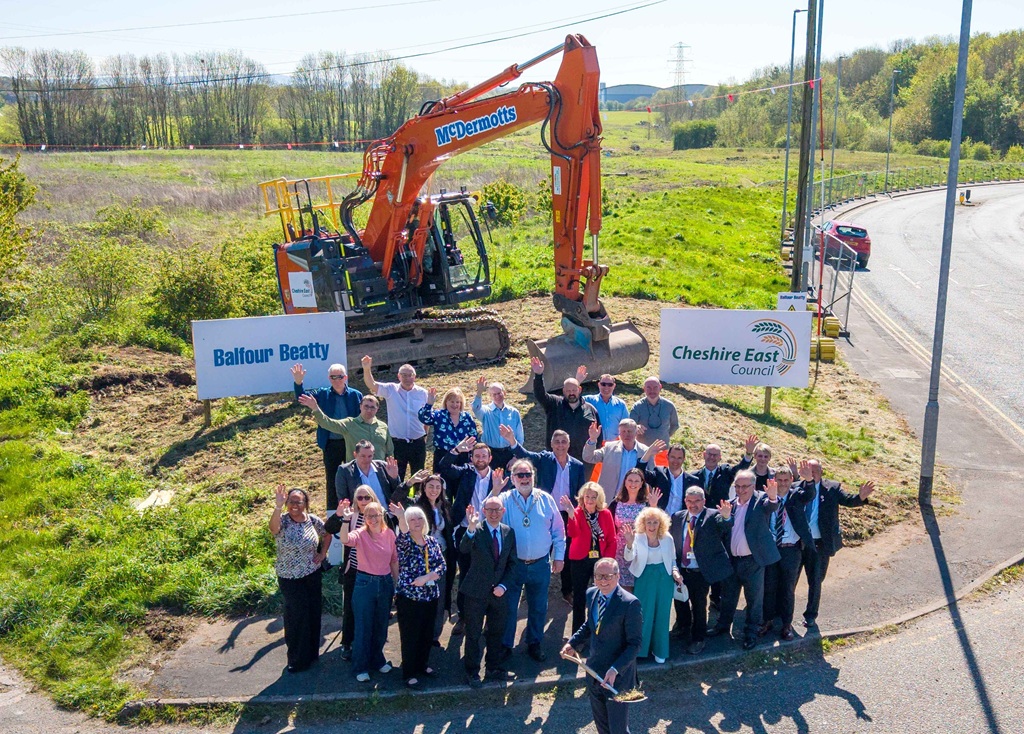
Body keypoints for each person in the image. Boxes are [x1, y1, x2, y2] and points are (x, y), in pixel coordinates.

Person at [501, 423, 586, 606]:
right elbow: (526, 455)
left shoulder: (577, 466)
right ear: (552, 444)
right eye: (557, 442)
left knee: (566, 553)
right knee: (540, 551)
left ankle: (567, 591)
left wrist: (576, 512)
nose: (560, 445)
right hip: (543, 512)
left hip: (567, 514)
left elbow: (581, 493)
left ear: (568, 444)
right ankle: (533, 589)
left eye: (564, 442)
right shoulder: (545, 459)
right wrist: (512, 440)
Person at [561, 558, 643, 734]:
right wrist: (572, 642)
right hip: (594, 672)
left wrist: (615, 669)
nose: (603, 581)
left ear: (618, 576)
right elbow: (589, 625)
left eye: (608, 576)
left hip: (617, 677)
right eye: (599, 576)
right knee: (602, 727)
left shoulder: (630, 603)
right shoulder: (591, 594)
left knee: (618, 729)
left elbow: (635, 645)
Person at [499, 458, 566, 662]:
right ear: (512, 478)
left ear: (533, 477)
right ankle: (506, 645)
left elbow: (558, 531)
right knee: (510, 607)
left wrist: (559, 557)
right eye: (520, 475)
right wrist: (494, 490)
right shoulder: (504, 499)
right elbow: (487, 515)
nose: (525, 478)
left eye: (528, 474)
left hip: (540, 563)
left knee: (538, 606)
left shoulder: (545, 499)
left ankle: (534, 643)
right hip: (514, 565)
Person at [438, 437, 507, 633]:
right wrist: (456, 450)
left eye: (483, 455)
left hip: (488, 532)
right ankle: (463, 616)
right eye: (477, 456)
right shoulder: (465, 473)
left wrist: (496, 490)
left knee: (488, 574)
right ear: (471, 457)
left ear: (490, 457)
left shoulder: (498, 478)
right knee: (466, 574)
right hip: (464, 529)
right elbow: (443, 467)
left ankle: (486, 616)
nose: (480, 459)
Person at [796, 459, 875, 629]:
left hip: (819, 545)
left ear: (822, 472)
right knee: (789, 580)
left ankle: (810, 616)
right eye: (809, 470)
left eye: (816, 470)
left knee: (816, 581)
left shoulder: (831, 488)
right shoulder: (797, 487)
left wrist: (860, 497)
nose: (813, 473)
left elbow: (848, 500)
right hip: (798, 543)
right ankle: (782, 615)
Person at [710, 470, 779, 650]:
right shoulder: (730, 505)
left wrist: (773, 498)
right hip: (732, 561)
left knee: (754, 600)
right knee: (728, 597)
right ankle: (723, 626)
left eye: (744, 487)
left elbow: (770, 506)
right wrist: (725, 518)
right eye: (737, 486)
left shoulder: (760, 501)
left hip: (753, 562)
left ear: (753, 486)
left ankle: (750, 634)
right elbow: (722, 529)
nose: (741, 490)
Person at [332, 496, 399, 682]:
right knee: (363, 626)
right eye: (369, 515)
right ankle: (360, 667)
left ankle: (378, 660)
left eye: (376, 514)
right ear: (364, 517)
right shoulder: (360, 533)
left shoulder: (390, 534)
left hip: (385, 582)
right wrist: (345, 520)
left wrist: (397, 583)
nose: (373, 518)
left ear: (382, 515)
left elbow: (394, 560)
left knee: (381, 625)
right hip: (364, 584)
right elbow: (345, 539)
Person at [291, 362, 362, 534]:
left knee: (354, 477)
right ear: (329, 378)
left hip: (350, 442)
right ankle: (333, 512)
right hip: (330, 443)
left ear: (345, 377)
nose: (336, 380)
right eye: (333, 377)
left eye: (339, 376)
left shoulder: (356, 395)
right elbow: (303, 399)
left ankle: (357, 510)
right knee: (332, 479)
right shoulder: (322, 393)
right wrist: (299, 383)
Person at [460, 498, 519, 688]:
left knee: (496, 632)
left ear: (503, 511)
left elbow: (512, 564)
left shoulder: (509, 532)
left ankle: (493, 668)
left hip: (498, 593)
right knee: (473, 634)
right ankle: (472, 671)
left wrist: (504, 586)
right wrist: (470, 527)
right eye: (489, 510)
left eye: (497, 510)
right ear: (484, 511)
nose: (493, 513)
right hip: (475, 592)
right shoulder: (475, 530)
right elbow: (463, 548)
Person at [270, 485, 329, 673]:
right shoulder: (283, 520)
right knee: (297, 615)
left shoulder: (313, 520)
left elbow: (327, 534)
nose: (295, 505)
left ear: (305, 503)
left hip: (312, 573)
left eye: (299, 501)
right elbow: (273, 529)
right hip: (289, 577)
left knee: (313, 612)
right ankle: (296, 658)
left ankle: (312, 654)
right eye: (291, 501)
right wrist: (278, 506)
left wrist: (323, 553)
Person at [670, 487, 734, 654]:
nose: (693, 505)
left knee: (699, 606)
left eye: (697, 501)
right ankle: (683, 627)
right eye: (690, 501)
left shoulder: (712, 516)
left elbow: (725, 525)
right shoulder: (678, 517)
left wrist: (727, 517)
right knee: (680, 600)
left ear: (704, 501)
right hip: (681, 570)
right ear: (685, 501)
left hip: (701, 571)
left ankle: (699, 638)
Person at [392, 503, 446, 688]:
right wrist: (400, 517)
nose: (416, 522)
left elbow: (442, 565)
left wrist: (429, 577)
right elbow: (403, 538)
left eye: (419, 518)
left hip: (430, 595)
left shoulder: (431, 541)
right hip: (410, 597)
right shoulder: (405, 542)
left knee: (426, 633)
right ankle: (409, 672)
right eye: (411, 519)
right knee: (410, 635)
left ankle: (423, 665)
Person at [761, 466, 814, 641]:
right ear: (774, 480)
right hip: (771, 549)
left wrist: (809, 481)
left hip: (791, 549)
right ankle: (767, 620)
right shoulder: (766, 496)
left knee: (787, 589)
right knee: (769, 586)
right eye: (779, 480)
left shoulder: (796, 495)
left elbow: (809, 495)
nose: (782, 484)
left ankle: (786, 624)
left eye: (786, 480)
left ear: (792, 480)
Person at [621, 507, 678, 664]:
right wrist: (629, 544)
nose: (652, 526)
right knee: (644, 614)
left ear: (661, 523)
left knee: (663, 614)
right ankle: (640, 650)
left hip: (664, 578)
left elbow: (673, 560)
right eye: (649, 522)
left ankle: (660, 650)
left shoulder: (667, 538)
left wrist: (676, 573)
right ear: (643, 523)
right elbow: (628, 557)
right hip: (645, 577)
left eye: (655, 522)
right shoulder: (637, 537)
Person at [561, 482, 617, 633]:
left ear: (599, 498)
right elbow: (573, 534)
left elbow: (612, 539)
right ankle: (578, 634)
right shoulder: (577, 512)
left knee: (601, 597)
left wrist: (608, 562)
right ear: (582, 497)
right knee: (579, 598)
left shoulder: (605, 514)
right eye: (587, 496)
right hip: (579, 560)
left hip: (600, 561)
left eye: (594, 497)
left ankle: (598, 632)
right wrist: (571, 515)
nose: (590, 500)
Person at [329, 486, 377, 662]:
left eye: (367, 498)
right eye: (360, 498)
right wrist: (340, 515)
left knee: (372, 608)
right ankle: (347, 643)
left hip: (374, 571)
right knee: (350, 608)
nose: (364, 501)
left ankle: (370, 643)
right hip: (354, 571)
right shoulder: (351, 516)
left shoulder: (380, 515)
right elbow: (329, 527)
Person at [361, 356, 428, 479]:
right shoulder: (391, 390)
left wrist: (425, 436)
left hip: (418, 442)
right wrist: (366, 368)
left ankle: (415, 497)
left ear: (415, 376)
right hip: (397, 444)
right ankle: (399, 498)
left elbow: (427, 417)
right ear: (398, 376)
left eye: (410, 375)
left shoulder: (423, 393)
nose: (407, 378)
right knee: (397, 476)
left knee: (418, 477)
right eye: (404, 375)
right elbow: (372, 385)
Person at [410, 473, 455, 645]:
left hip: (441, 555)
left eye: (437, 487)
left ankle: (434, 634)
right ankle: (420, 632)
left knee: (439, 595)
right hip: (422, 557)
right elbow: (396, 499)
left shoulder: (444, 506)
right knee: (423, 595)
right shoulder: (416, 505)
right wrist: (409, 482)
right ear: (424, 488)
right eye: (430, 486)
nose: (434, 490)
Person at [531, 357, 599, 471]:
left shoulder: (590, 409)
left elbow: (598, 433)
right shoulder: (554, 404)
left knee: (581, 489)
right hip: (557, 459)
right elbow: (540, 394)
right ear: (563, 391)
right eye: (568, 391)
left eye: (574, 390)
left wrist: (594, 455)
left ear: (580, 390)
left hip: (583, 462)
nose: (571, 393)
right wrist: (538, 375)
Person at [298, 391, 393, 462]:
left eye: (372, 407)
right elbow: (327, 423)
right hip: (356, 472)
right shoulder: (349, 424)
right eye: (366, 406)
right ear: (360, 406)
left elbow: (389, 451)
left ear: (377, 409)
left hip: (379, 472)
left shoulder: (383, 426)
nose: (369, 410)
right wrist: (315, 408)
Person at [607, 468, 659, 592]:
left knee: (640, 587)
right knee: (622, 588)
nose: (633, 484)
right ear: (625, 482)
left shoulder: (646, 504)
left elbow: (656, 526)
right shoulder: (616, 503)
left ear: (642, 484)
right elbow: (609, 527)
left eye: (637, 481)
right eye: (630, 480)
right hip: (619, 551)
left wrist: (654, 507)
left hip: (640, 549)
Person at [583, 419, 649, 497]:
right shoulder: (609, 448)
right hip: (609, 499)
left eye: (629, 431)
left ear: (636, 432)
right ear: (619, 433)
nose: (626, 434)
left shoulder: (645, 451)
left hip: (635, 500)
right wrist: (593, 439)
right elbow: (588, 457)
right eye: (623, 431)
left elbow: (651, 478)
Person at [418, 386, 479, 470]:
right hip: (443, 456)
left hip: (463, 457)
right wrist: (429, 404)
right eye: (452, 401)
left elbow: (474, 438)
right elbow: (424, 418)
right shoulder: (439, 415)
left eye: (457, 402)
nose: (455, 405)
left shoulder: (467, 417)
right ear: (446, 402)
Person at [637, 439, 701, 516]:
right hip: (659, 521)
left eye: (679, 458)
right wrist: (649, 453)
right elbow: (639, 473)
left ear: (684, 459)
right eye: (673, 457)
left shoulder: (693, 481)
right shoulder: (659, 473)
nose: (675, 461)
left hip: (680, 522)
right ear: (667, 457)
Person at [472, 376, 524, 470]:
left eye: (499, 393)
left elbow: (520, 437)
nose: (497, 396)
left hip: (509, 453)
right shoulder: (486, 411)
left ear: (504, 393)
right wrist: (479, 392)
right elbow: (475, 408)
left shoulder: (514, 412)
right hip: (491, 453)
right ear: (490, 396)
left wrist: (515, 457)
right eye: (494, 394)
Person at [333, 441, 403, 507]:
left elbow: (399, 493)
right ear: (355, 454)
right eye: (363, 456)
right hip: (362, 517)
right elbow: (343, 499)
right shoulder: (345, 471)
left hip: (387, 514)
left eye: (370, 456)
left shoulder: (383, 467)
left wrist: (394, 478)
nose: (366, 460)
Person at [697, 435, 758, 507]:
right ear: (704, 455)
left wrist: (748, 453)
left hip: (721, 513)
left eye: (715, 455)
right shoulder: (694, 476)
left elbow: (740, 469)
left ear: (720, 457)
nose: (712, 457)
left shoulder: (725, 472)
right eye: (709, 454)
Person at [579, 369, 631, 444]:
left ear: (614, 386)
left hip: (614, 444)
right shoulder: (589, 400)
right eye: (603, 384)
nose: (606, 387)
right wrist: (578, 381)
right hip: (594, 443)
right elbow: (573, 398)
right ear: (599, 384)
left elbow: (626, 424)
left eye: (610, 385)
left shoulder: (621, 404)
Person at [629, 377, 679, 446]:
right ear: (644, 389)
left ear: (660, 387)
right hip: (643, 451)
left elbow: (675, 425)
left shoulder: (669, 406)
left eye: (655, 387)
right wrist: (636, 427)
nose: (652, 390)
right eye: (648, 387)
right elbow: (630, 427)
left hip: (662, 450)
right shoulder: (637, 406)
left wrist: (665, 435)